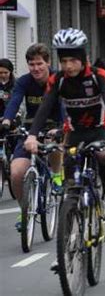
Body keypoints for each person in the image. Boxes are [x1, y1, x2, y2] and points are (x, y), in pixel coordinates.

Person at [23, 28, 105, 221]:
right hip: (75, 133)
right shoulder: (58, 80)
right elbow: (45, 108)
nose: (68, 66)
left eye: (72, 60)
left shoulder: (98, 75)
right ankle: (71, 223)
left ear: (83, 57)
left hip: (99, 130)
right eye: (63, 61)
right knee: (71, 179)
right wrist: (32, 135)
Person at [1, 44, 63, 230]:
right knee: (17, 171)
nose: (35, 68)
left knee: (53, 143)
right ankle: (24, 210)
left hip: (54, 126)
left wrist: (61, 127)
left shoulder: (58, 80)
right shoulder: (24, 82)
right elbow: (14, 101)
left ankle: (57, 174)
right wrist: (6, 121)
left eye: (39, 64)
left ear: (48, 63)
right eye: (31, 64)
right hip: (30, 129)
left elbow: (64, 106)